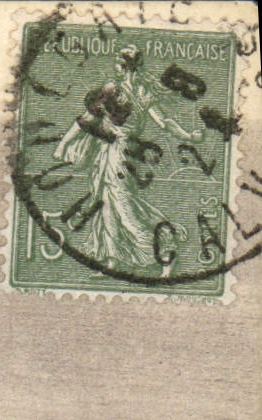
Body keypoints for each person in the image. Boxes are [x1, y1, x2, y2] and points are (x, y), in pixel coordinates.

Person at [52, 45, 203, 271]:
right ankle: (113, 260)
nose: (115, 68)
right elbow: (165, 123)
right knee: (106, 203)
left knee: (124, 207)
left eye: (118, 64)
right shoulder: (141, 92)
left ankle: (165, 250)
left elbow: (86, 119)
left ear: (126, 68)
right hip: (113, 152)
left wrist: (64, 144)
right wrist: (189, 136)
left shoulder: (117, 90)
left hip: (120, 153)